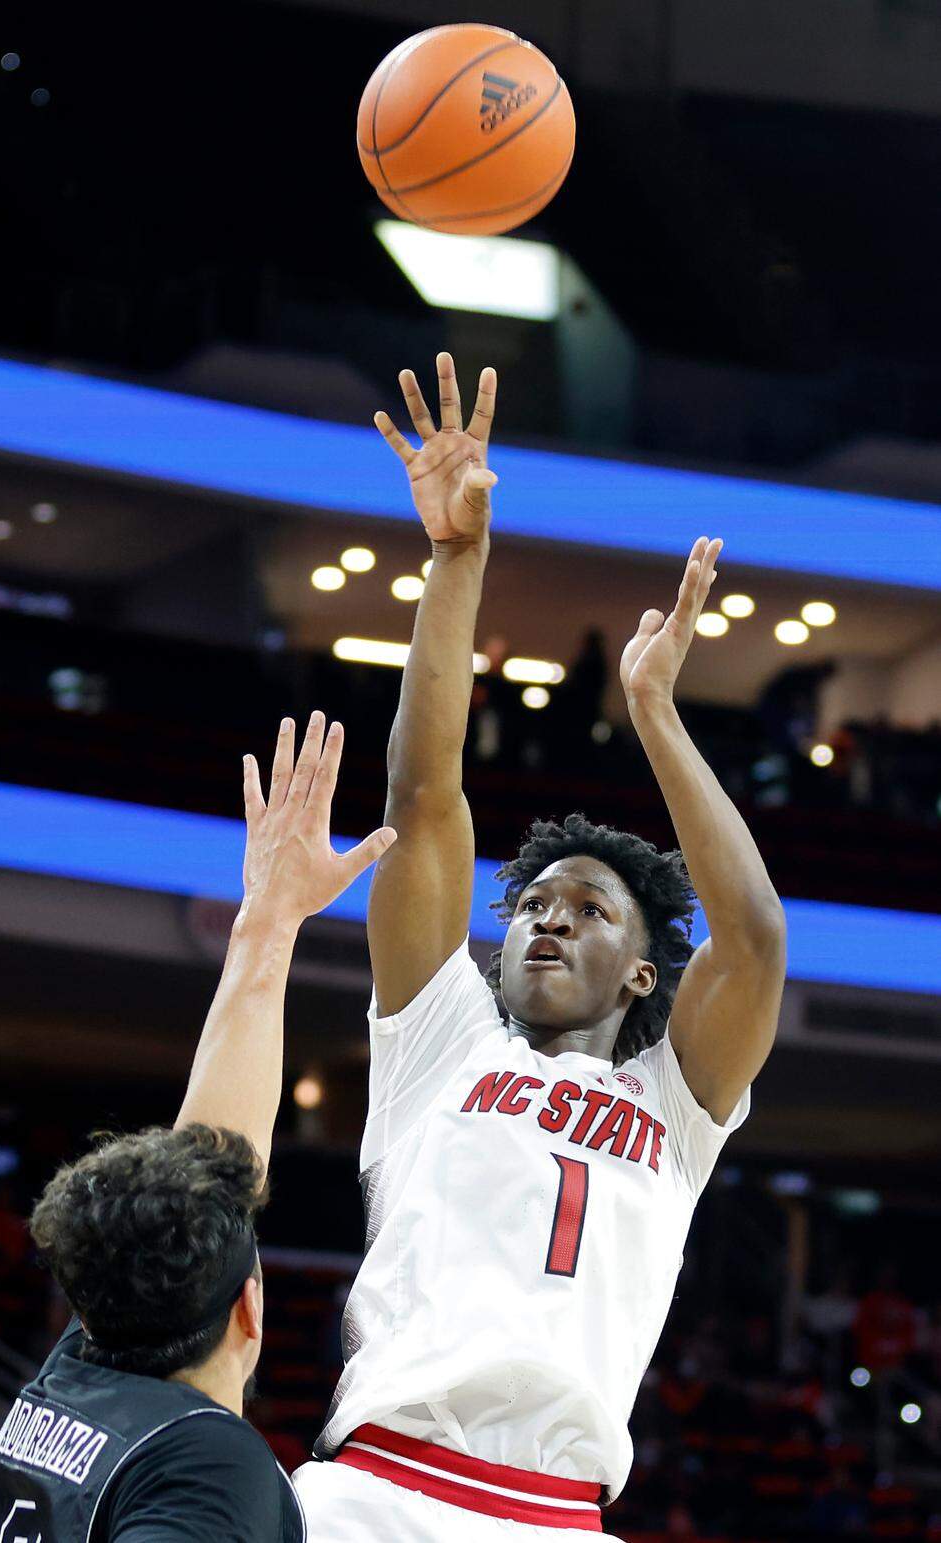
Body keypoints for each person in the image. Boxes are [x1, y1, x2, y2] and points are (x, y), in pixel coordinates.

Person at [293, 355, 788, 1541]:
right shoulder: (439, 1038)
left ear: (641, 972)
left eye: (589, 909)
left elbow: (756, 939)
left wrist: (656, 713)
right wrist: (455, 560)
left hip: (557, 1515)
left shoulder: (675, 1107)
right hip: (372, 1493)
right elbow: (424, 803)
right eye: (532, 905)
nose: (549, 917)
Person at [0, 713, 395, 1542]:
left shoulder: (81, 1377)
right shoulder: (204, 1462)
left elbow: (208, 1164)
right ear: (250, 1309)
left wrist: (268, 923)